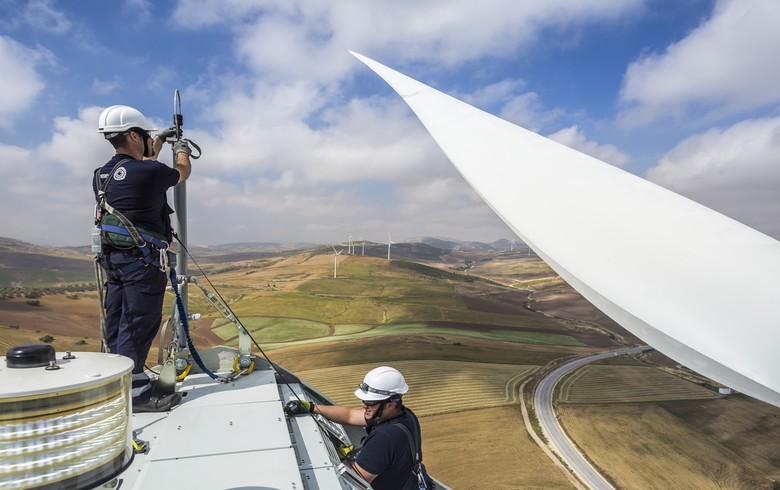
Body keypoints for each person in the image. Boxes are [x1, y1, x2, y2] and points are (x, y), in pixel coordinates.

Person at [94, 105, 192, 413]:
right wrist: (181, 150)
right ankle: (135, 393)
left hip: (114, 261)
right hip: (143, 262)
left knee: (117, 320)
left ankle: (119, 379)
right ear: (135, 135)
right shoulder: (150, 171)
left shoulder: (101, 175)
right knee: (138, 322)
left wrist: (158, 140)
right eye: (147, 135)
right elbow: (181, 173)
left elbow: (141, 169)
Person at [285, 366, 431, 489]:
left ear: (390, 405)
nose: (364, 405)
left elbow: (357, 480)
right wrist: (313, 407)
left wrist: (341, 458)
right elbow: (350, 415)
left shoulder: (384, 439)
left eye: (370, 402)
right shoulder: (404, 415)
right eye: (364, 400)